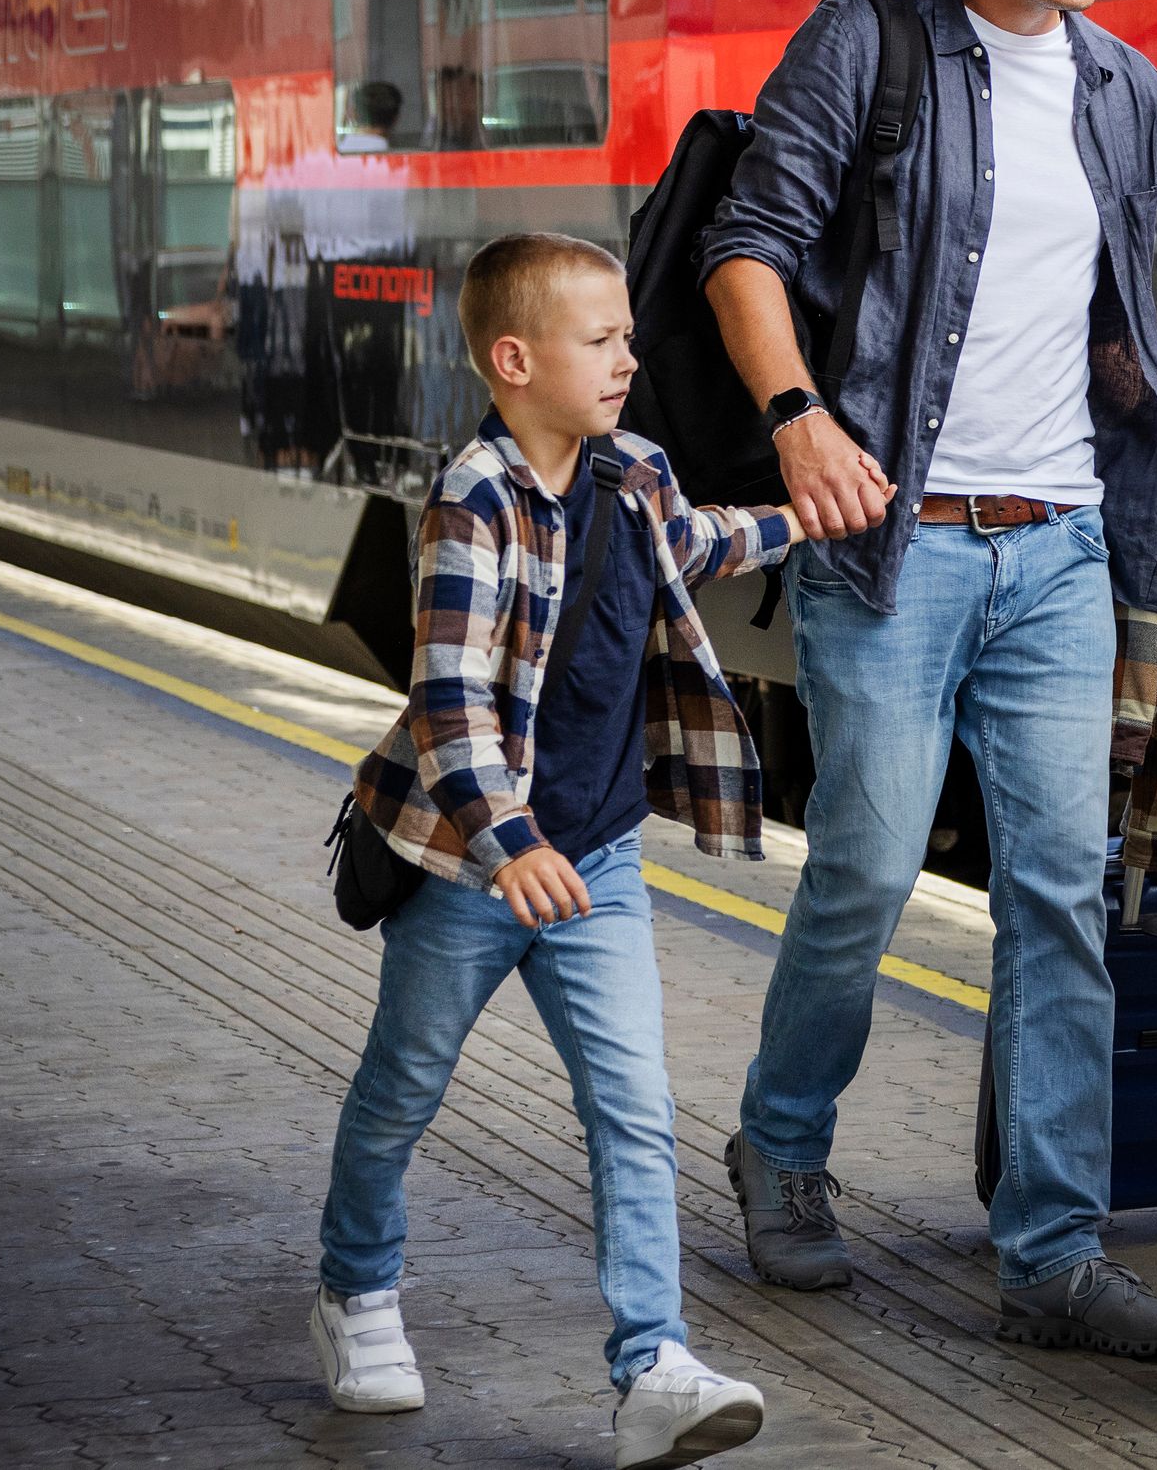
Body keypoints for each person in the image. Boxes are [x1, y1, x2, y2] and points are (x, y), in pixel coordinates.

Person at [696, 0, 1157, 1358]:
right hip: (895, 542)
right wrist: (796, 421)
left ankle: (1053, 1251)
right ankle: (781, 1147)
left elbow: (1105, 323)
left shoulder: (1126, 89)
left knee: (1061, 897)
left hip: (1056, 544)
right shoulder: (872, 45)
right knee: (863, 868)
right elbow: (747, 245)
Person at [312, 233, 788, 1467]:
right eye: (604, 340)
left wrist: (809, 518)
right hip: (473, 865)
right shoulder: (472, 495)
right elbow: (448, 698)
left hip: (599, 861)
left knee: (636, 1106)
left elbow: (695, 546)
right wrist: (510, 841)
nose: (632, 356)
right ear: (514, 361)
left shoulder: (633, 470)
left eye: (629, 334)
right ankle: (355, 1288)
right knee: (401, 1092)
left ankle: (654, 1368)